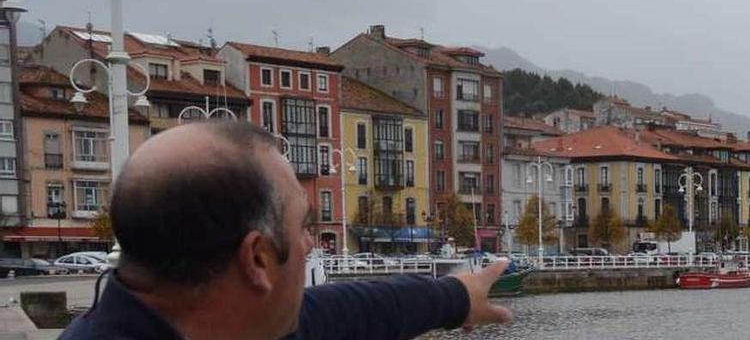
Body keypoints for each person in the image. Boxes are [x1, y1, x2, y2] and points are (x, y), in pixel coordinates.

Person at [60, 122, 512, 340]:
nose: (311, 243)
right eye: (303, 226)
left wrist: (454, 298)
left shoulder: (230, 322)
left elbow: (353, 313)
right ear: (257, 259)